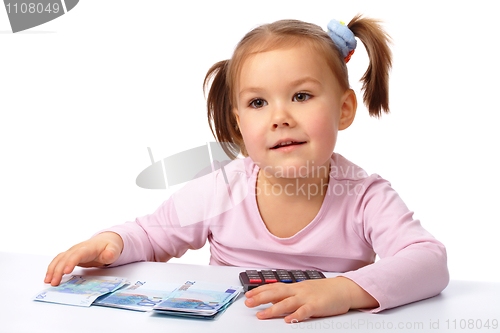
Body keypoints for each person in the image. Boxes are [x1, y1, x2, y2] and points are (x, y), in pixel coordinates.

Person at [44, 15, 449, 323]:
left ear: (343, 109)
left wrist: (344, 291)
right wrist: (112, 241)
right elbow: (152, 234)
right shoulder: (222, 187)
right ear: (238, 123)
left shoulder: (363, 196)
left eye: (302, 95)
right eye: (258, 103)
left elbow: (429, 261)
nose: (280, 117)